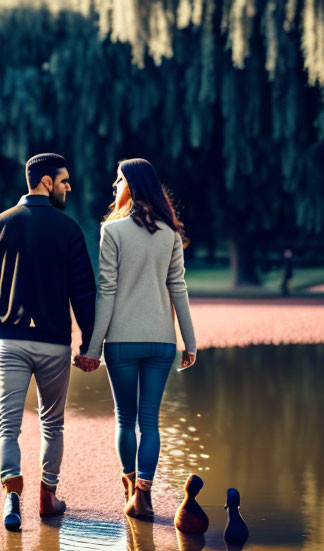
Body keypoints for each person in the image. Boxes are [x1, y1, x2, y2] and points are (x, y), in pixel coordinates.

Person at [0, 152, 97, 531]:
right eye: (63, 181)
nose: (68, 187)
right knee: (52, 425)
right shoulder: (69, 229)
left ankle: (12, 495)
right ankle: (47, 497)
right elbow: (84, 293)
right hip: (53, 344)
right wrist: (89, 344)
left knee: (6, 426)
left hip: (11, 341)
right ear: (45, 182)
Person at [77, 158, 197, 520]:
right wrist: (189, 342)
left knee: (125, 420)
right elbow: (179, 288)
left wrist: (93, 348)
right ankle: (143, 493)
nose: (114, 187)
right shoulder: (170, 233)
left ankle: (131, 491)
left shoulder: (111, 232)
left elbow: (107, 292)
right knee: (150, 421)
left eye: (118, 181)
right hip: (161, 342)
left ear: (129, 185)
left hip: (122, 343)